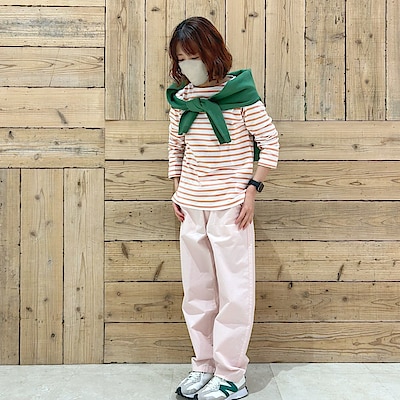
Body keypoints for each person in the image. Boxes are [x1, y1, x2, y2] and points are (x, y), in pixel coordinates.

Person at [166, 16, 279, 400]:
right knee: (197, 293)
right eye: (181, 59)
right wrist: (177, 190)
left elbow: (270, 143)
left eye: (193, 57)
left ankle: (232, 375)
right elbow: (176, 149)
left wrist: (252, 190)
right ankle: (204, 365)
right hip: (191, 207)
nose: (187, 66)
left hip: (231, 207)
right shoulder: (181, 101)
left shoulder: (241, 96)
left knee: (234, 293)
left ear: (212, 53)